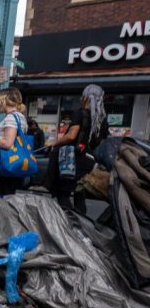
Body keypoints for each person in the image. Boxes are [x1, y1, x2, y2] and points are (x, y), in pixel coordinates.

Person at [46, 84, 109, 214]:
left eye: (83, 95)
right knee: (79, 194)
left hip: (72, 159)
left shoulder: (80, 113)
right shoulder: (102, 120)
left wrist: (55, 143)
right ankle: (81, 224)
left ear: (86, 97)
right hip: (89, 160)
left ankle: (70, 223)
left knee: (63, 193)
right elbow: (102, 143)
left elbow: (71, 135)